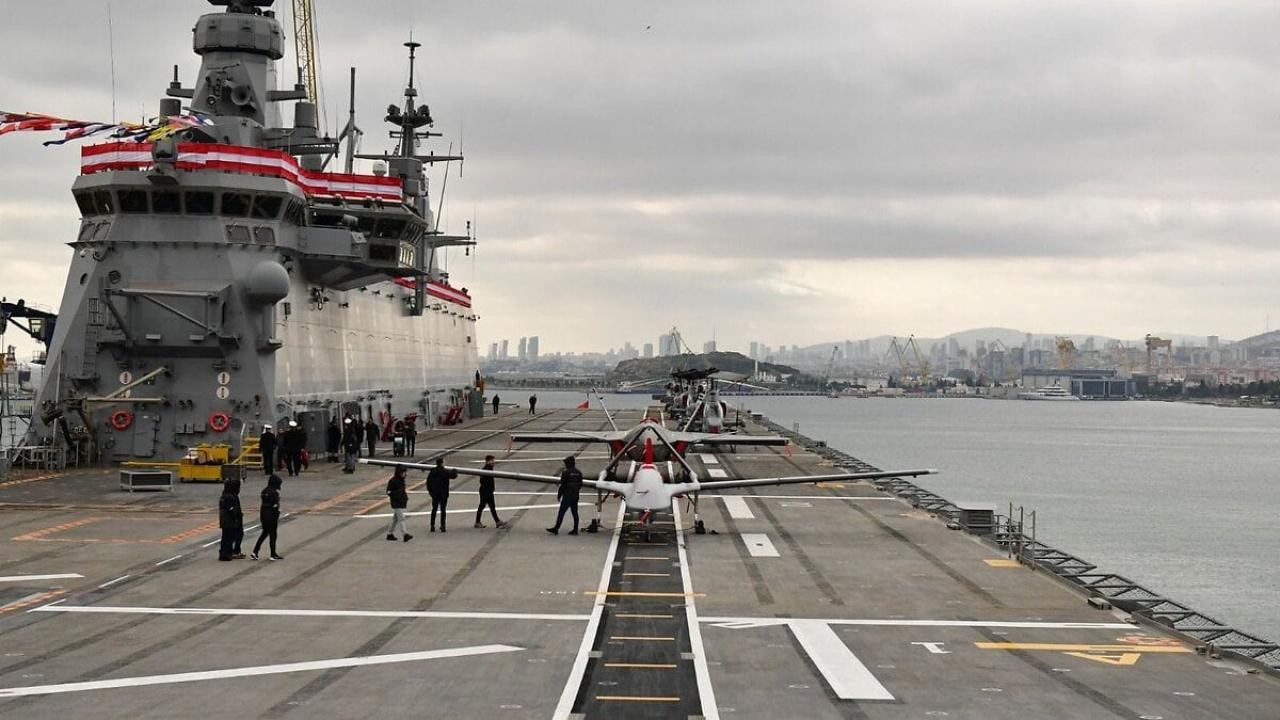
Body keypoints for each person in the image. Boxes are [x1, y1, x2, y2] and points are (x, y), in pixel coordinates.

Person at [546, 456, 583, 536]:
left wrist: (559, 495)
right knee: (575, 512)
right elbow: (580, 484)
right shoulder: (579, 473)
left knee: (561, 512)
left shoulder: (566, 473)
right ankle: (575, 529)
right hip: (575, 495)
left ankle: (556, 528)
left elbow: (563, 486)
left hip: (567, 495)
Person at [251, 474, 284, 560]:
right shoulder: (274, 493)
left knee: (265, 533)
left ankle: (255, 551)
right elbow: (275, 505)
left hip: (263, 514)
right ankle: (273, 554)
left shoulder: (264, 491)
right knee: (273, 534)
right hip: (272, 515)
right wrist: (277, 513)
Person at [474, 455, 507, 529]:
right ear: (487, 461)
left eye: (493, 460)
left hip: (486, 491)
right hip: (486, 491)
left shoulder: (488, 468)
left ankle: (496, 521)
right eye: (491, 460)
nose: (493, 462)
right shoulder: (487, 469)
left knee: (488, 506)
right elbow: (483, 481)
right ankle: (479, 522)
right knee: (485, 506)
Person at [426, 457, 457, 532]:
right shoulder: (445, 471)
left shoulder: (433, 471)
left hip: (435, 493)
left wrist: (431, 492)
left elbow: (428, 482)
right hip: (443, 494)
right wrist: (455, 471)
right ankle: (443, 526)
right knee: (443, 510)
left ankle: (432, 526)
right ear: (442, 463)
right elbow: (453, 476)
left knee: (434, 509)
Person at [218, 477, 244, 560]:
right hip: (230, 520)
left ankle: (225, 552)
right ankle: (227, 553)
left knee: (226, 536)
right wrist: (237, 517)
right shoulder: (230, 497)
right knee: (231, 536)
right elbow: (232, 510)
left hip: (225, 520)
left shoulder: (224, 496)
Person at [385, 466, 412, 542]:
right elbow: (388, 492)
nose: (405, 474)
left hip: (400, 501)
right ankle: (405, 534)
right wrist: (397, 494)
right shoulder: (393, 481)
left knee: (395, 519)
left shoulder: (401, 480)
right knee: (401, 518)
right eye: (403, 472)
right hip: (396, 502)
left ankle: (389, 533)